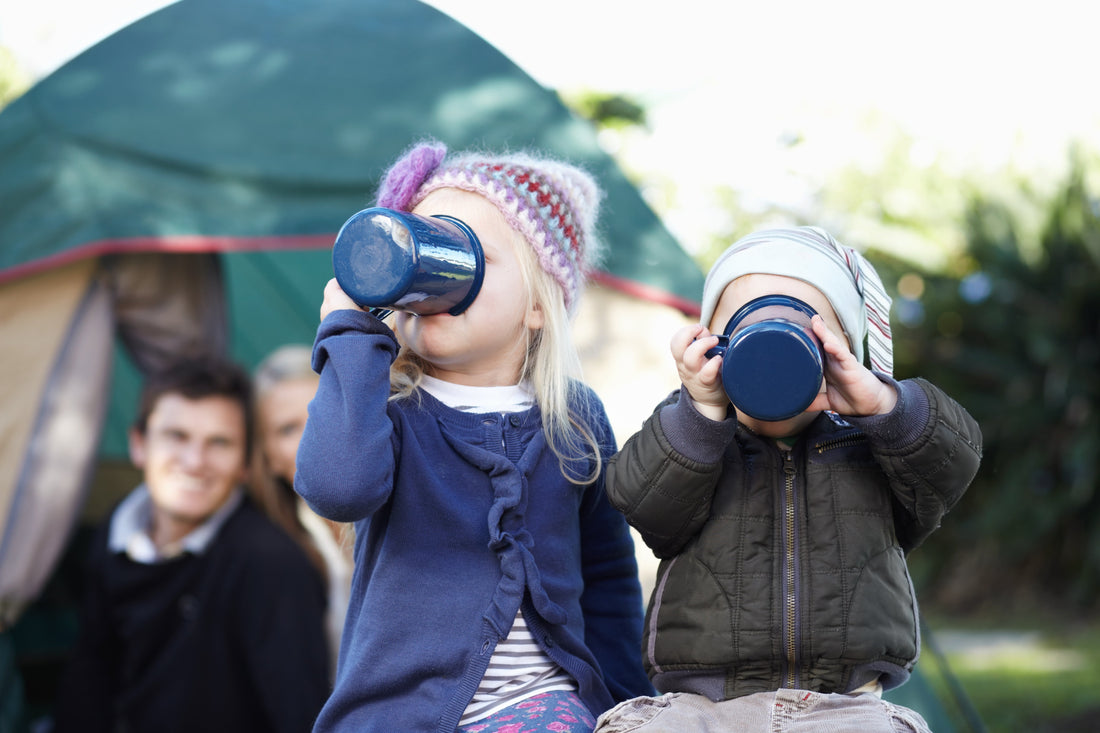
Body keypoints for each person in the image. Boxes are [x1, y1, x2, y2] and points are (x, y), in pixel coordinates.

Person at [294, 141, 654, 732]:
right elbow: (338, 488)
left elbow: (608, 574)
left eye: (465, 253)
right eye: (424, 245)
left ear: (537, 305)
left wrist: (621, 703)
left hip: (543, 707)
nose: (435, 273)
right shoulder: (388, 407)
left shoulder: (573, 418)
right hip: (400, 715)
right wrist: (352, 332)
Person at [596, 227, 983, 732]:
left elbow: (952, 464)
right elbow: (641, 501)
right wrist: (700, 414)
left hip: (845, 705)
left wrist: (882, 404)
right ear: (712, 344)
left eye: (804, 328)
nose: (772, 345)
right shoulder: (696, 435)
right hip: (704, 706)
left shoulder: (874, 443)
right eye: (745, 326)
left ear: (841, 345)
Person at [52, 355, 331, 733]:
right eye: (176, 436)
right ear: (138, 444)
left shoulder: (270, 562)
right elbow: (89, 678)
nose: (194, 461)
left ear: (245, 465)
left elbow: (301, 715)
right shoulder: (117, 530)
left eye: (219, 442)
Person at [252, 344, 353, 676]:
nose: (311, 436)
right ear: (267, 457)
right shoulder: (266, 554)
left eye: (321, 412)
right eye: (287, 429)